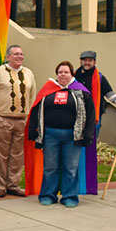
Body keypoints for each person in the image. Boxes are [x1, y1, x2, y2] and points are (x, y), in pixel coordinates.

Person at [26, 61, 96, 208]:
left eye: (66, 72)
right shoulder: (48, 89)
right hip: (50, 135)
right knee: (50, 167)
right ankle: (47, 195)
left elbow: (90, 114)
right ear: (56, 74)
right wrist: (33, 130)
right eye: (60, 72)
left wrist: (88, 134)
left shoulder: (80, 91)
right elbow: (36, 109)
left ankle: (69, 196)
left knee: (70, 167)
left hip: (72, 136)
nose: (63, 75)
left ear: (72, 74)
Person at [0, 44, 36, 198]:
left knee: (17, 155)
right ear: (8, 57)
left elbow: (33, 95)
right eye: (16, 54)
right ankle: (0, 186)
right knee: (1, 154)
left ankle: (13, 184)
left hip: (22, 120)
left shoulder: (28, 73)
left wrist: (29, 116)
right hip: (3, 119)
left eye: (21, 54)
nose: (19, 56)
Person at [74, 50, 116, 134]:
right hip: (74, 117)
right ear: (80, 61)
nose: (87, 63)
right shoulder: (72, 77)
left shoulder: (100, 79)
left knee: (90, 146)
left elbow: (112, 97)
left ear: (94, 62)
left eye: (90, 60)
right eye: (85, 60)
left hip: (93, 119)